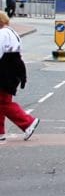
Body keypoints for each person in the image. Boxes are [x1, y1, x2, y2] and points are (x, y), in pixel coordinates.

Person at [0, 12, 40, 141]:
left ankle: (28, 122)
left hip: (5, 69)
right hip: (13, 68)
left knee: (3, 102)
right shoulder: (12, 32)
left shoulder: (2, 34)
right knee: (3, 100)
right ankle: (0, 132)